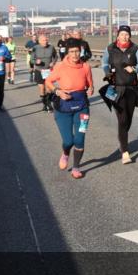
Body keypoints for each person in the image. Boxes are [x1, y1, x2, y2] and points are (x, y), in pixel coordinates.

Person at [45, 38, 94, 179]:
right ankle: (66, 153)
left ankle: (76, 167)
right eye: (72, 51)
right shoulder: (60, 66)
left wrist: (91, 89)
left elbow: (90, 84)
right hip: (63, 108)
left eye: (77, 51)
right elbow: (48, 81)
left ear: (81, 51)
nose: (75, 54)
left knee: (80, 139)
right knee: (68, 141)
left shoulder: (86, 67)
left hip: (82, 108)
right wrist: (58, 91)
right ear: (67, 52)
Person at [101, 25, 138, 164]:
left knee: (128, 119)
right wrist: (107, 72)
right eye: (122, 34)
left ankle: (122, 138)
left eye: (127, 34)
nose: (124, 37)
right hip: (115, 88)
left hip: (131, 88)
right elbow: (104, 63)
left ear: (130, 36)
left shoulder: (135, 48)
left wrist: (134, 68)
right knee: (122, 119)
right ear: (118, 35)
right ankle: (125, 152)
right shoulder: (110, 48)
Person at [31, 34, 59, 112]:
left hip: (48, 71)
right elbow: (31, 59)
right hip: (39, 70)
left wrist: (53, 62)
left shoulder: (51, 47)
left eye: (46, 40)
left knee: (48, 88)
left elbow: (56, 56)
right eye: (43, 40)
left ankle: (49, 104)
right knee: (42, 88)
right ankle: (44, 104)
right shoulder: (35, 48)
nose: (45, 42)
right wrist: (36, 62)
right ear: (39, 41)